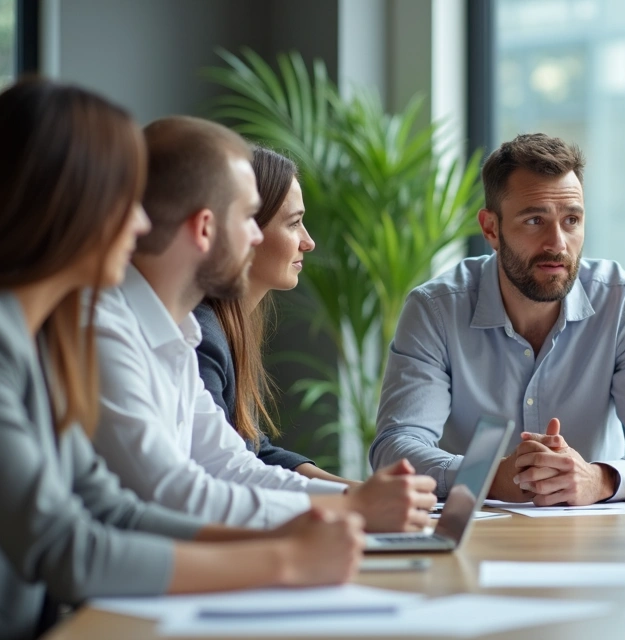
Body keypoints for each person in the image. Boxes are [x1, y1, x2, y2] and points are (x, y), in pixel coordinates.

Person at [0, 79, 362, 640]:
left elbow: (112, 509)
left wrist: (298, 535)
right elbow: (65, 548)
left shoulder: (34, 334)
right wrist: (286, 561)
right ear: (67, 206)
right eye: (125, 202)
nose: (141, 226)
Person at [91, 115, 436, 532]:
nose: (255, 237)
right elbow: (172, 491)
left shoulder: (180, 333)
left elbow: (231, 465)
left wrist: (353, 499)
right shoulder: (104, 332)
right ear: (205, 228)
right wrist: (351, 511)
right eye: (248, 218)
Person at [369, 133, 625, 506]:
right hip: (475, 541)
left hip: (595, 541)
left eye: (571, 219)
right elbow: (394, 450)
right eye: (534, 220)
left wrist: (599, 478)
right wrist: (489, 476)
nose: (557, 243)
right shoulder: (435, 310)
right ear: (491, 229)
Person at [194, 146, 356, 488]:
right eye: (294, 223)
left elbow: (253, 449)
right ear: (245, 230)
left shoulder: (230, 326)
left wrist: (354, 491)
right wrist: (351, 499)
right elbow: (223, 470)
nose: (308, 242)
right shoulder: (201, 336)